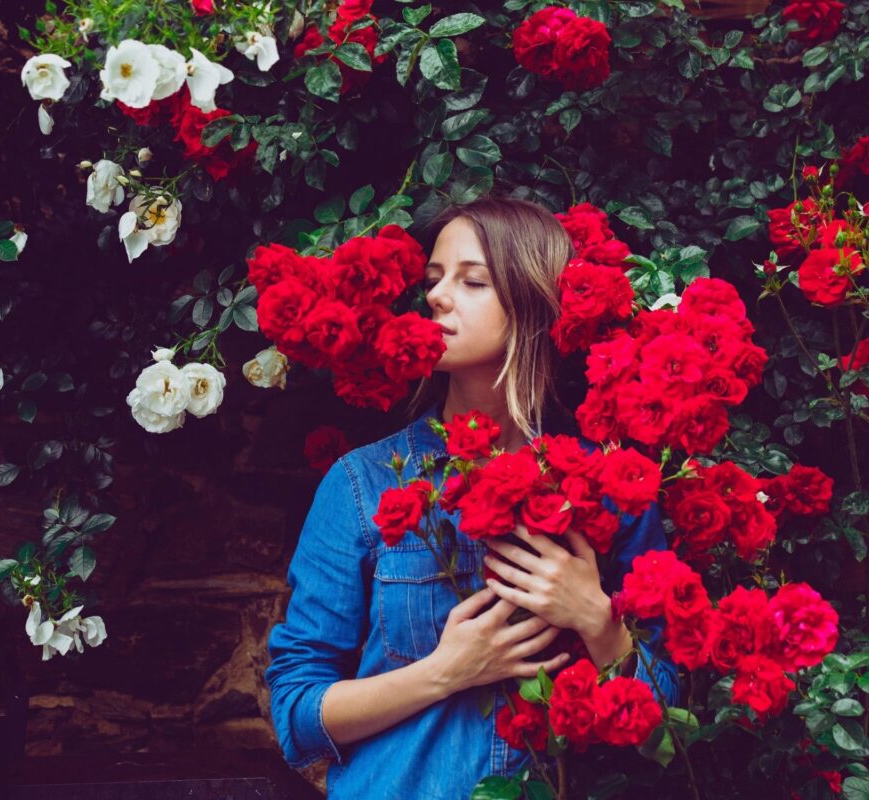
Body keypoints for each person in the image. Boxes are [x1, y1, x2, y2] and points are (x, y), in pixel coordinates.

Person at [265, 197, 678, 799]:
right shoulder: (364, 484)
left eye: (472, 280)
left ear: (534, 302)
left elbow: (665, 722)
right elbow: (297, 717)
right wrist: (443, 673)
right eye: (433, 280)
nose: (435, 296)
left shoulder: (609, 486)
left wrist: (596, 619)